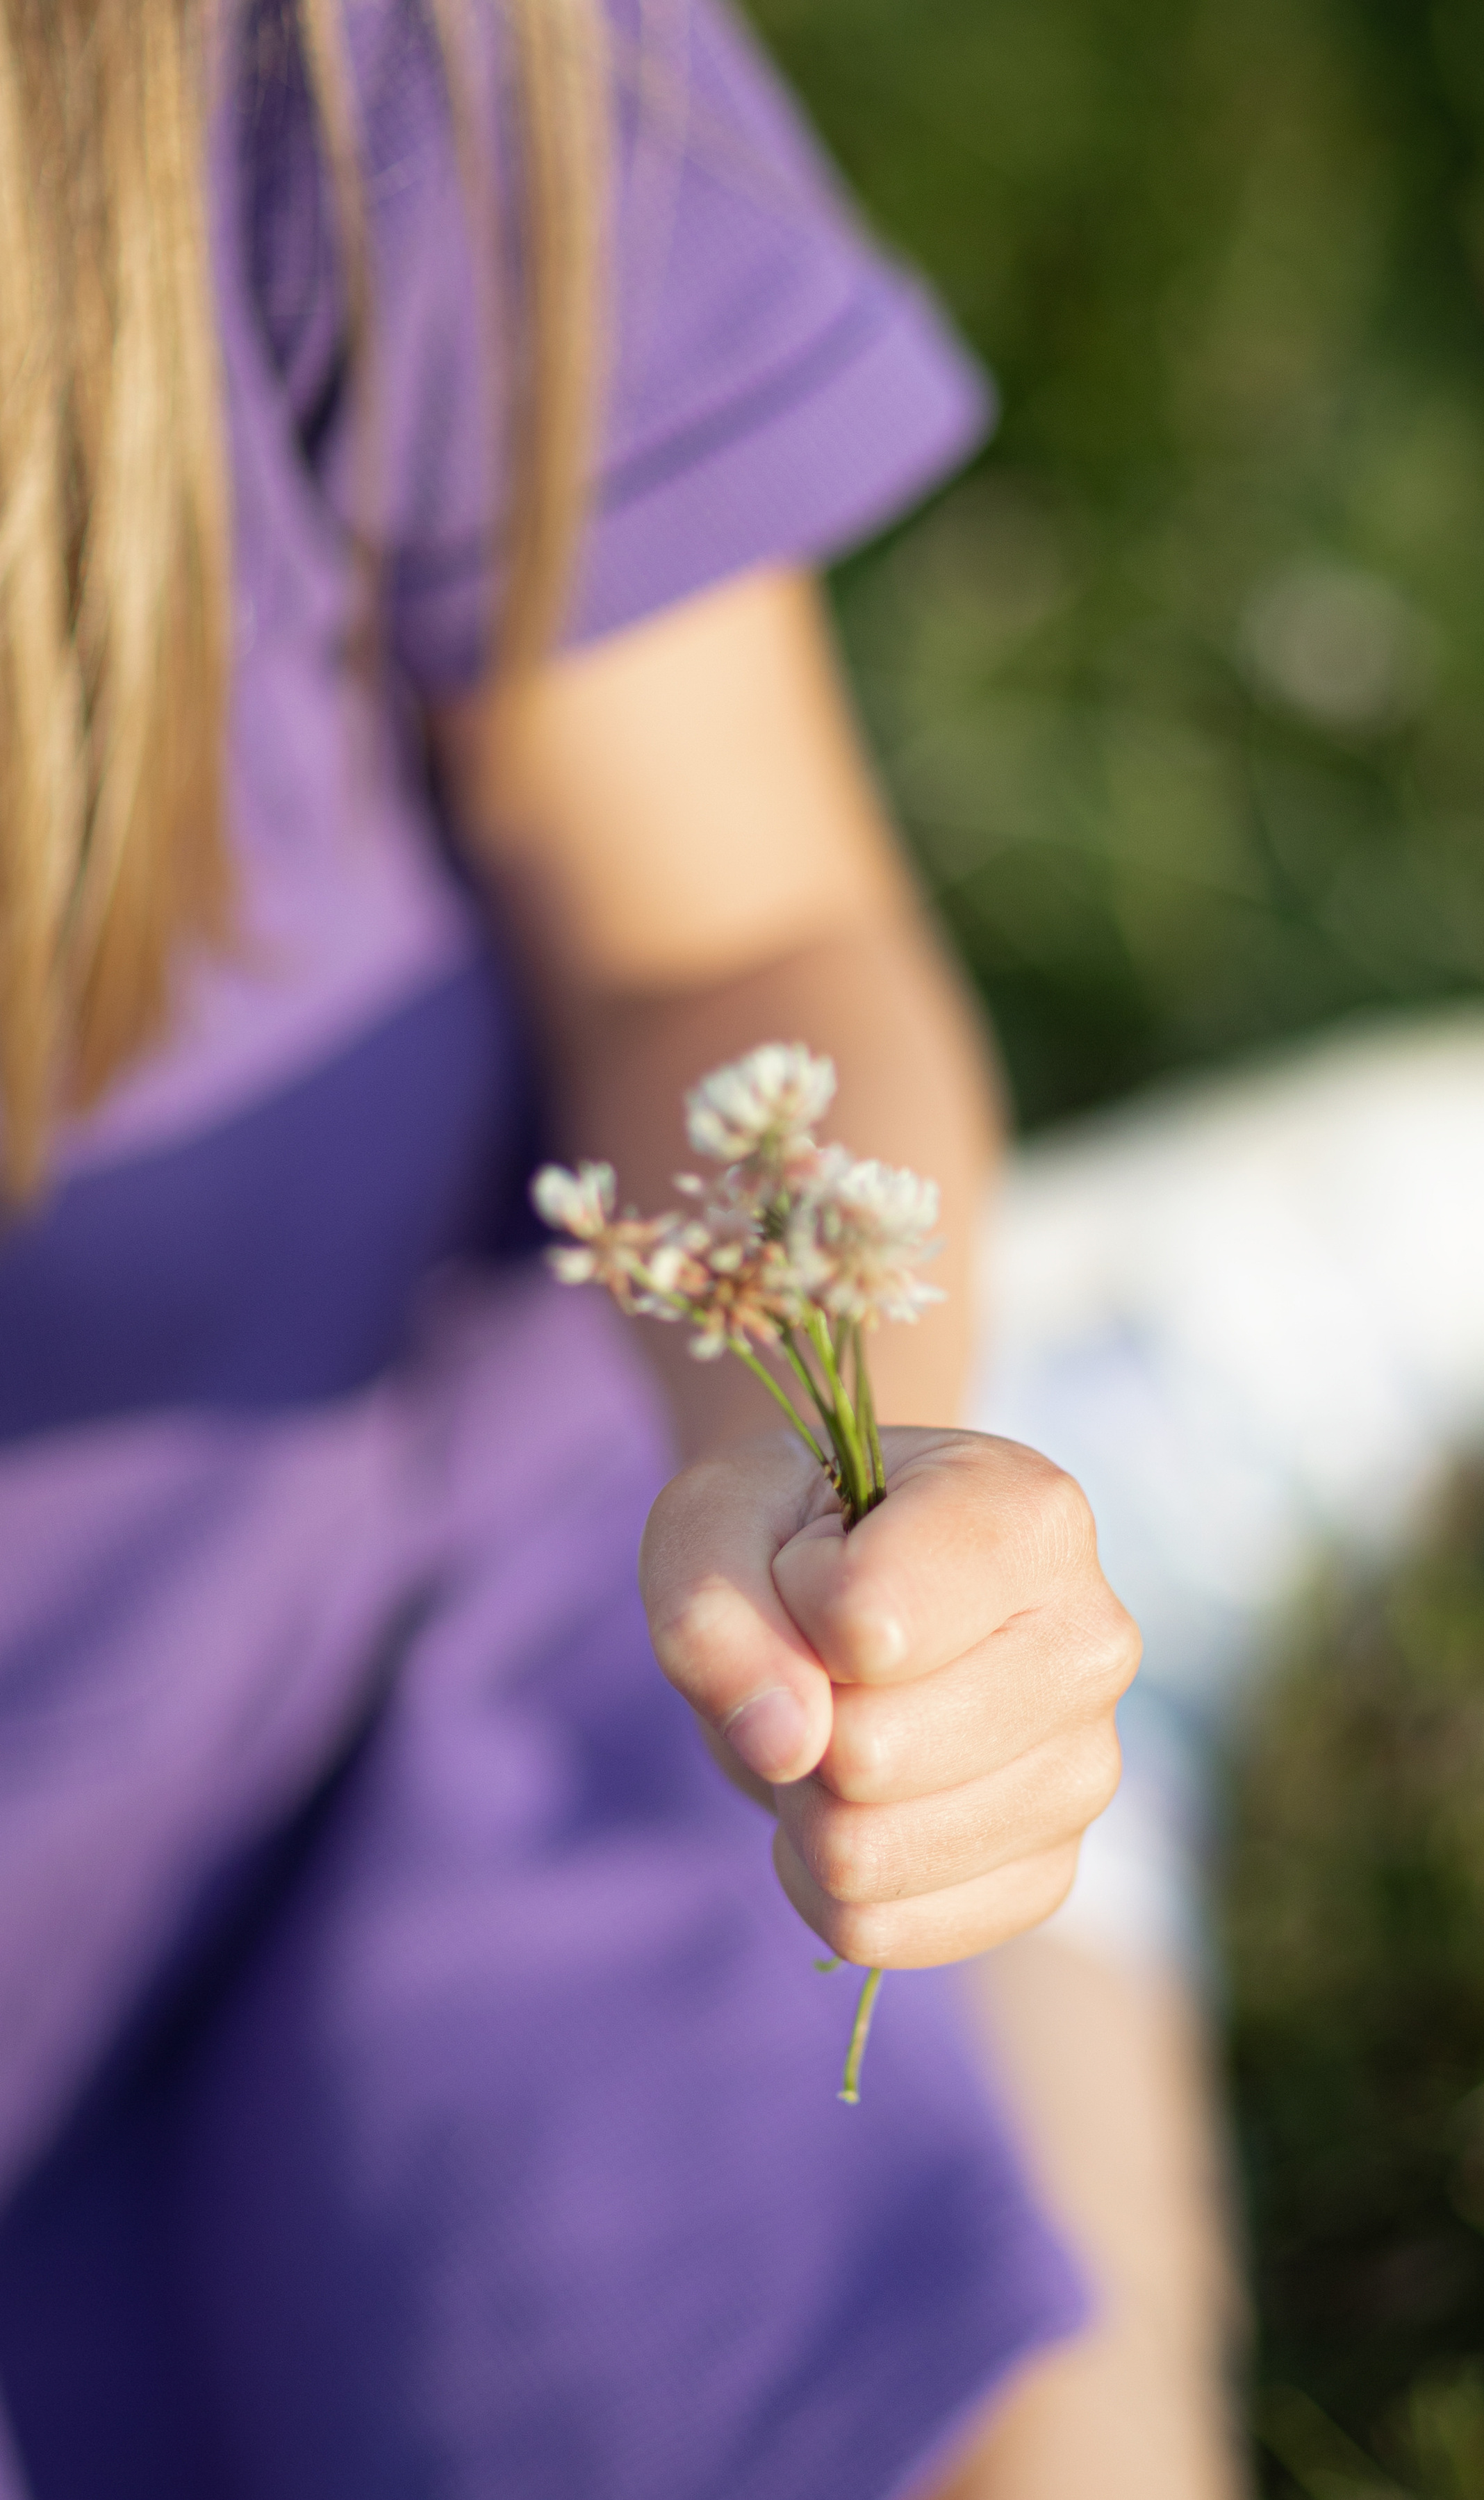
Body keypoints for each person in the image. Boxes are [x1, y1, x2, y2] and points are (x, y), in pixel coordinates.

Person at [0, 3, 1226, 2494]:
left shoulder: (332, 64)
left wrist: (825, 1496)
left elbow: (723, 931)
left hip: (378, 1676)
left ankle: (1120, 1649)